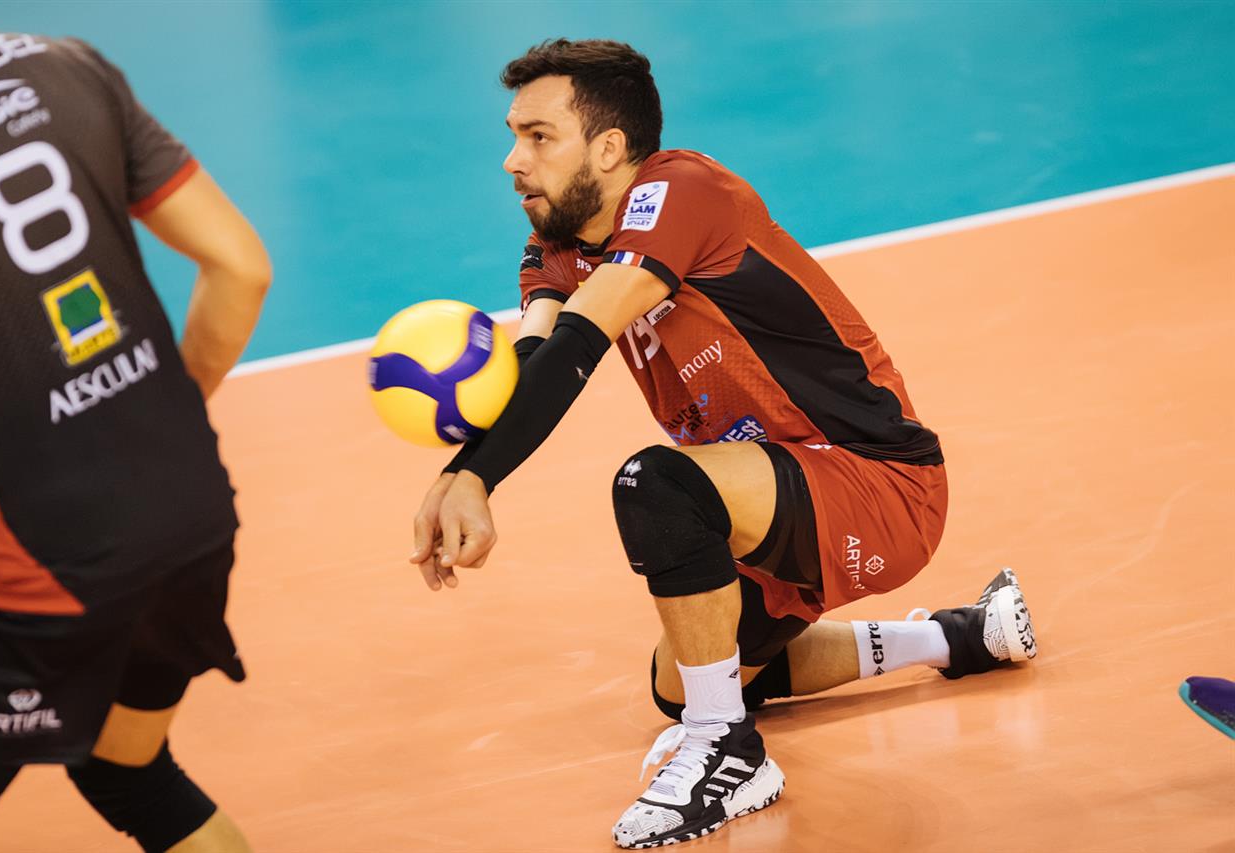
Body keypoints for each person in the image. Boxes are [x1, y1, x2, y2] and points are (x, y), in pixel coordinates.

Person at [410, 38, 1037, 848]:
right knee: (682, 680)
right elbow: (533, 362)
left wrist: (477, 479)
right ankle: (958, 635)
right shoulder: (556, 248)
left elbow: (575, 347)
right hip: (766, 498)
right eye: (513, 136)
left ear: (608, 148)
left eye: (538, 137)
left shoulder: (683, 191)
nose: (512, 160)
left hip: (874, 482)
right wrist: (459, 472)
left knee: (657, 485)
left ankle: (727, 752)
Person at [0, 21, 270, 853]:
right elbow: (241, 268)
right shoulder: (62, 63)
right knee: (129, 771)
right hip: (187, 510)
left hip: (28, 568)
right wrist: (166, 415)